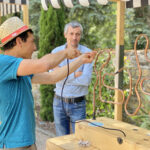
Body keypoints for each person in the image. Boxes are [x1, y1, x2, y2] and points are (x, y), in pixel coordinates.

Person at [0, 17, 96, 150]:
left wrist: (81, 60)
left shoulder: (20, 68)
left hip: (27, 141)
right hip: (13, 144)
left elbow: (52, 77)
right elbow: (44, 64)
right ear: (19, 41)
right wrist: (65, 53)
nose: (35, 48)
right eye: (32, 42)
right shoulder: (3, 62)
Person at [51, 21, 93, 136]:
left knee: (80, 140)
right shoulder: (56, 52)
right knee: (61, 140)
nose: (74, 37)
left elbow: (86, 80)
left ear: (80, 35)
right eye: (71, 33)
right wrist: (75, 74)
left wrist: (61, 72)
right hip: (58, 103)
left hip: (78, 104)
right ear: (65, 35)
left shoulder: (87, 53)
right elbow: (53, 78)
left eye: (78, 34)